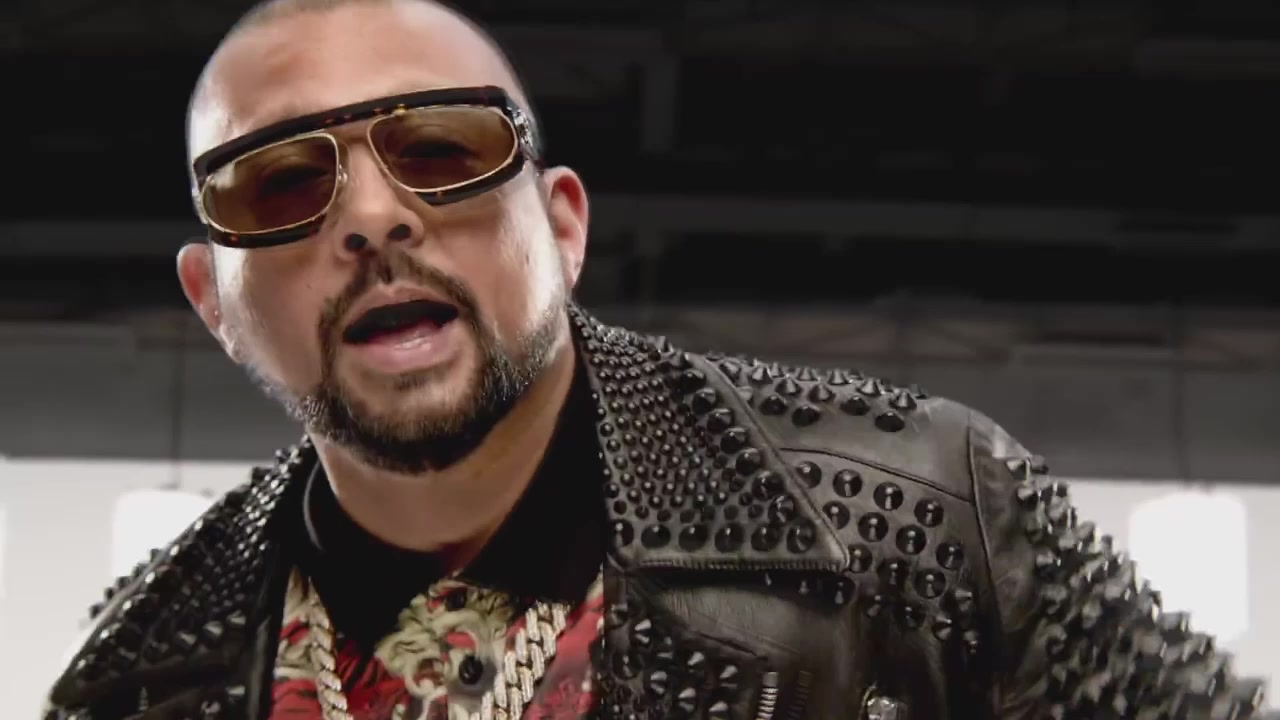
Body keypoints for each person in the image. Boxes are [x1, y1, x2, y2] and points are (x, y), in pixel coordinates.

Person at [42, 0, 1267, 717]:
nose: (370, 218)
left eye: (441, 149)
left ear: (563, 229)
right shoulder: (136, 673)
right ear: (212, 303)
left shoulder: (929, 516)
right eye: (278, 184)